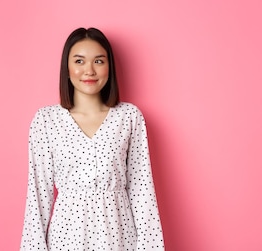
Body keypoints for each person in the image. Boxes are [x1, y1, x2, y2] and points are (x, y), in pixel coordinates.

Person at [20, 27, 164, 250]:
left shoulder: (129, 117)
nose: (89, 70)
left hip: (119, 238)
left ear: (110, 67)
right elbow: (38, 196)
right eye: (79, 61)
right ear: (66, 68)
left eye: (98, 61)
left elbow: (142, 191)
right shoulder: (46, 120)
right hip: (66, 240)